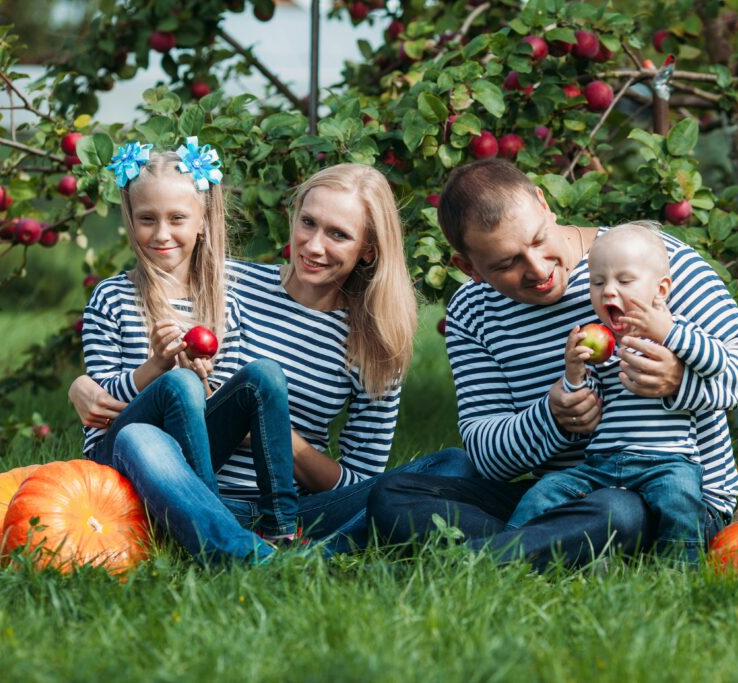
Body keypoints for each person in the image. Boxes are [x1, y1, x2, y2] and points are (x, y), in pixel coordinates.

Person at [367, 159, 738, 571]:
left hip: (672, 497)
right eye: (507, 264)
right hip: (563, 492)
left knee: (619, 511)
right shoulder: (473, 312)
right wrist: (552, 418)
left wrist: (678, 380)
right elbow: (485, 454)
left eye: (538, 239)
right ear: (468, 268)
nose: (539, 270)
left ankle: (480, 563)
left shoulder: (645, 261)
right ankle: (538, 550)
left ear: (544, 204)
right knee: (392, 495)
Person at [70, 162, 475, 563]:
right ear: (293, 219)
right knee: (140, 440)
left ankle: (284, 544)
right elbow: (154, 314)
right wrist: (86, 386)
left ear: (368, 249)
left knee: (452, 466)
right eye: (308, 223)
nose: (314, 246)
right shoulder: (228, 283)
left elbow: (358, 485)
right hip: (188, 486)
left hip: (289, 508)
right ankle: (257, 554)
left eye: (338, 234)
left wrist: (279, 438)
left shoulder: (375, 343)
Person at [82, 138, 299, 544]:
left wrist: (201, 385)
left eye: (177, 218)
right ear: (130, 219)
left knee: (265, 376)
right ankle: (221, 529)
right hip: (118, 454)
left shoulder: (224, 302)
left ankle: (282, 528)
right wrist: (156, 370)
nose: (162, 233)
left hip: (187, 457)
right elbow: (101, 405)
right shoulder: (111, 297)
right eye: (147, 219)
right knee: (176, 384)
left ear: (201, 221)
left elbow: (219, 407)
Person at [506, 222, 730, 565]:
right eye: (598, 283)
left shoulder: (681, 331)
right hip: (603, 461)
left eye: (624, 282)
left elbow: (715, 361)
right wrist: (574, 372)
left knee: (681, 496)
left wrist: (666, 331)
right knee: (548, 489)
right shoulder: (605, 343)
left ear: (661, 289)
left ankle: (680, 569)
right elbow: (589, 396)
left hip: (667, 462)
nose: (609, 292)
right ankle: (508, 549)